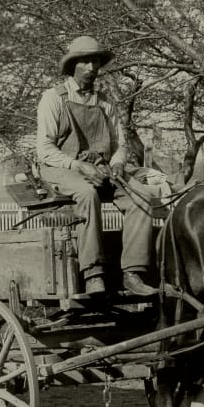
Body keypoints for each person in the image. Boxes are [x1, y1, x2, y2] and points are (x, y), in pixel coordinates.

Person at [35, 35, 157, 296]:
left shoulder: (105, 102)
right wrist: (78, 166)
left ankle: (133, 272)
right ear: (73, 66)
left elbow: (119, 145)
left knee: (143, 197)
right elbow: (45, 150)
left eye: (96, 62)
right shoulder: (53, 98)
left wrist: (116, 164)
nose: (91, 68)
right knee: (87, 194)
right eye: (85, 62)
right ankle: (93, 273)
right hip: (60, 168)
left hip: (101, 168)